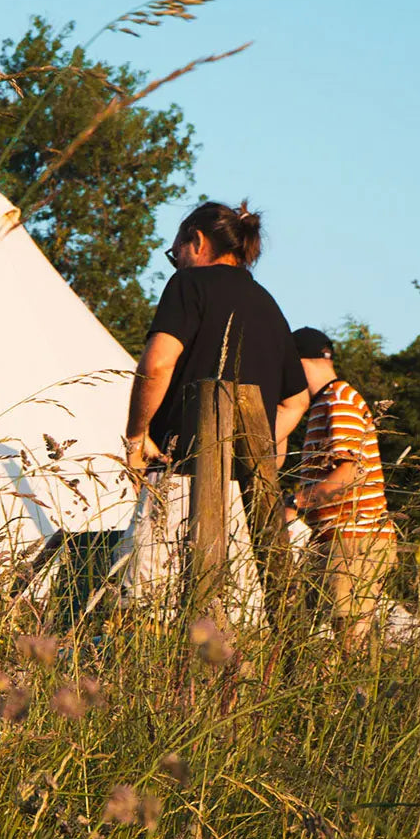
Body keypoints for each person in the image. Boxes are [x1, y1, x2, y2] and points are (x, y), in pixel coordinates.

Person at [112, 200, 309, 622]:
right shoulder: (270, 306)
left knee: (146, 610)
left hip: (180, 474)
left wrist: (135, 436)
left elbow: (158, 363)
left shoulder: (190, 286)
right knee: (229, 622)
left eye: (174, 254)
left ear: (196, 241)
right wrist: (259, 443)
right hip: (245, 495)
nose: (176, 264)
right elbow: (297, 400)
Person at [286, 326, 397, 654]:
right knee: (343, 640)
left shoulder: (339, 400)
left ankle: (359, 703)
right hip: (344, 539)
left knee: (351, 642)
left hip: (353, 539)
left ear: (299, 364)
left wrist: (295, 502)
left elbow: (348, 472)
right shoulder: (330, 402)